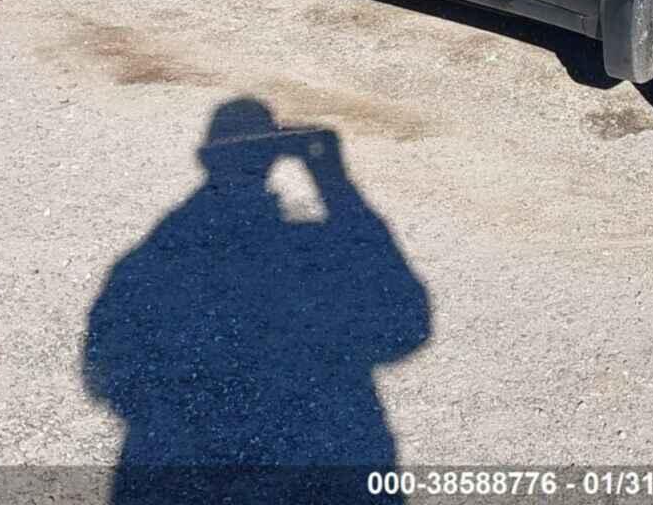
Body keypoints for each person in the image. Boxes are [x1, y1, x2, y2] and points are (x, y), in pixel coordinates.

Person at [83, 99, 431, 502]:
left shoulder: (152, 255)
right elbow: (407, 321)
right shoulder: (306, 246)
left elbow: (110, 365)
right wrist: (332, 179)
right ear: (273, 154)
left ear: (206, 156)